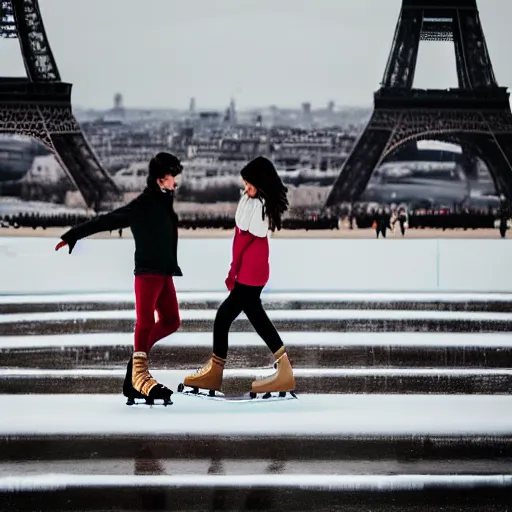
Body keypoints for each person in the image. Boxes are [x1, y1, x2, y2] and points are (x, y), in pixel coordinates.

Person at [55, 152, 183, 405]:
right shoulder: (143, 204)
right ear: (159, 179)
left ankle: (133, 371)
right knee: (145, 322)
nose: (175, 182)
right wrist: (74, 235)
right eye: (172, 177)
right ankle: (140, 376)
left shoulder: (164, 200)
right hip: (147, 273)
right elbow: (108, 220)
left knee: (171, 321)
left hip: (164, 272)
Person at [182, 156, 296, 397]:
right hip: (255, 271)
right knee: (254, 317)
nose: (246, 189)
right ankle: (283, 368)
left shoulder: (256, 208)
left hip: (250, 273)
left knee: (224, 317)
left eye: (249, 185)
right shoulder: (258, 204)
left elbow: (240, 246)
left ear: (260, 183)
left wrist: (233, 271)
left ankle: (215, 372)